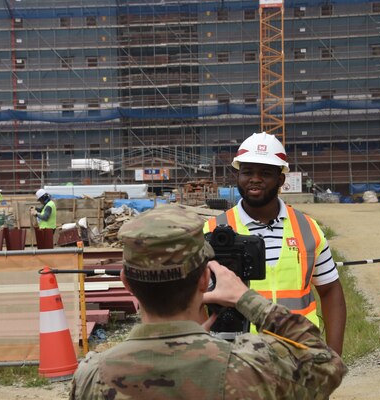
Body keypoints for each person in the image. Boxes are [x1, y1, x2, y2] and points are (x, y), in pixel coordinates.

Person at [70, 204, 347, 400]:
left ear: (125, 282)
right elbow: (326, 364)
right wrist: (247, 299)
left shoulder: (92, 376)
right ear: (205, 279)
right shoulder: (251, 365)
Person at [204, 132, 347, 355]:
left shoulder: (308, 229)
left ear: (281, 179)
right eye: (248, 171)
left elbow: (330, 291)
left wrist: (334, 357)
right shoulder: (213, 232)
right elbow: (192, 300)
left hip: (300, 357)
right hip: (238, 361)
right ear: (238, 176)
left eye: (265, 173)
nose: (255, 178)